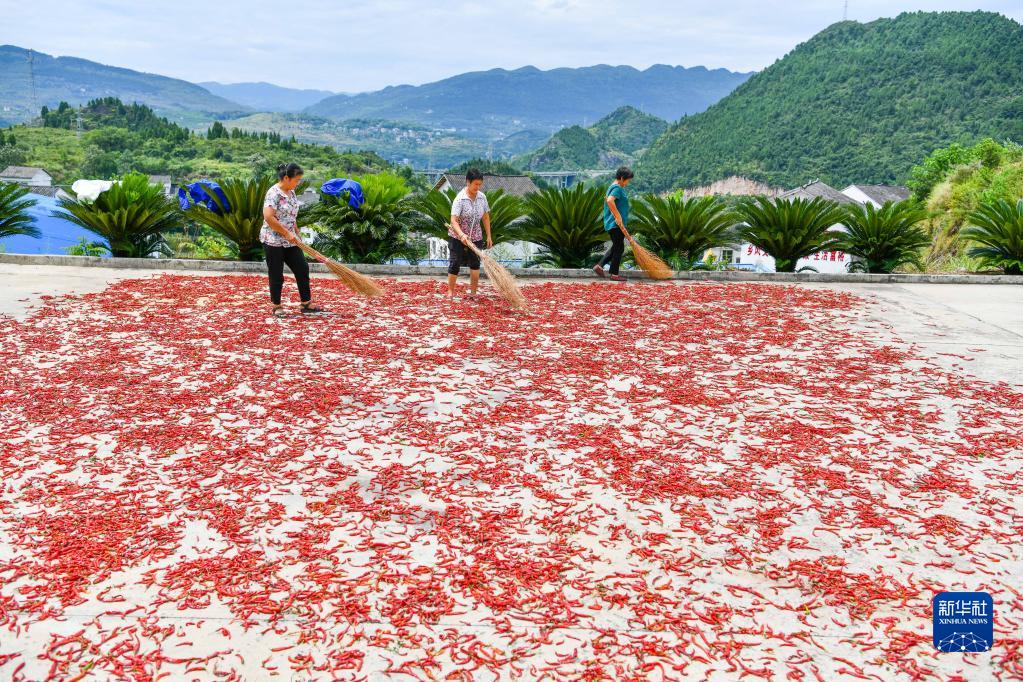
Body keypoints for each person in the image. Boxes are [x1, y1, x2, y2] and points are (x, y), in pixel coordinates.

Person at [261, 163, 322, 317]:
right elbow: (268, 217)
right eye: (296, 180)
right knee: (276, 274)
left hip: (291, 240)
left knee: (302, 268)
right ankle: (276, 306)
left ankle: (305, 302)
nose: (298, 183)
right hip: (273, 240)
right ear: (286, 178)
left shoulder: (292, 192)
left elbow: (291, 216)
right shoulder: (273, 193)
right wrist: (286, 233)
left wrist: (296, 232)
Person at [448, 169, 493, 299]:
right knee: (455, 263)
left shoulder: (482, 197)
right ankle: (450, 292)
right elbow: (453, 220)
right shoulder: (460, 199)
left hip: (476, 236)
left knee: (475, 264)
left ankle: (473, 293)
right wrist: (462, 235)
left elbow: (485, 217)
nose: (478, 187)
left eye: (480, 184)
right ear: (468, 182)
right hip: (457, 236)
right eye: (475, 184)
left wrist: (489, 236)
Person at [594, 167, 635, 282]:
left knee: (617, 247)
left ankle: (600, 266)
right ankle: (614, 274)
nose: (628, 183)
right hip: (615, 224)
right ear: (622, 178)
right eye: (627, 180)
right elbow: (610, 200)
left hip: (613, 223)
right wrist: (618, 216)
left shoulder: (612, 187)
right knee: (619, 248)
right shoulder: (617, 188)